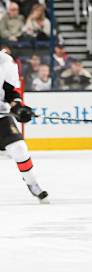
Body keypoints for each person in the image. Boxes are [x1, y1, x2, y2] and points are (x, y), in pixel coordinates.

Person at [0, 50, 48, 202]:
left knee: (19, 148)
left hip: (1, 117)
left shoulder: (5, 61)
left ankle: (32, 183)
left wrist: (18, 106)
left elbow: (11, 92)